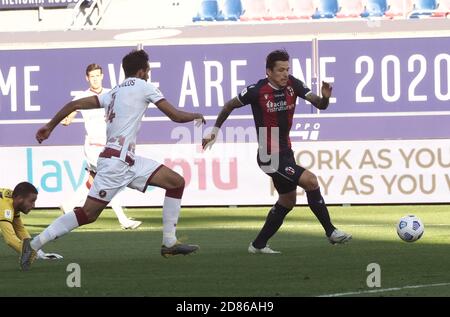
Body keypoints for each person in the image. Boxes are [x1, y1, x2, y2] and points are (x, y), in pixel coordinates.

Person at [21, 50, 204, 271]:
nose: (148, 74)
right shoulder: (144, 86)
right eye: (147, 70)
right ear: (141, 71)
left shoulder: (113, 92)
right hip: (116, 163)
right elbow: (175, 115)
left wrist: (50, 126)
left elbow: (73, 105)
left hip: (128, 160)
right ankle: (33, 244)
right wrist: (197, 115)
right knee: (87, 214)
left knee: (176, 182)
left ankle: (169, 242)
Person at [202, 49, 352, 254]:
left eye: (287, 69)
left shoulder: (294, 85)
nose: (285, 74)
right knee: (310, 180)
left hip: (285, 152)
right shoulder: (256, 90)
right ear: (269, 72)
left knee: (287, 201)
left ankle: (258, 245)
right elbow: (229, 105)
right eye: (280, 70)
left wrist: (325, 98)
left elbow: (319, 104)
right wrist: (214, 130)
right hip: (268, 155)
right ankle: (331, 232)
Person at [61, 63, 141, 230]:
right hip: (93, 146)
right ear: (87, 78)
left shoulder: (111, 93)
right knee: (112, 178)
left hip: (109, 144)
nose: (95, 79)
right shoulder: (82, 97)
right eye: (92, 76)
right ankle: (123, 220)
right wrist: (65, 120)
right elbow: (70, 114)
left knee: (93, 182)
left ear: (102, 76)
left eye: (98, 75)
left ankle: (68, 204)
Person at [0, 182, 63, 261]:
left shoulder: (14, 202)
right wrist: (29, 252)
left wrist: (39, 252)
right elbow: (10, 239)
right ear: (19, 199)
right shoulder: (5, 207)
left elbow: (20, 230)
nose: (34, 206)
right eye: (32, 201)